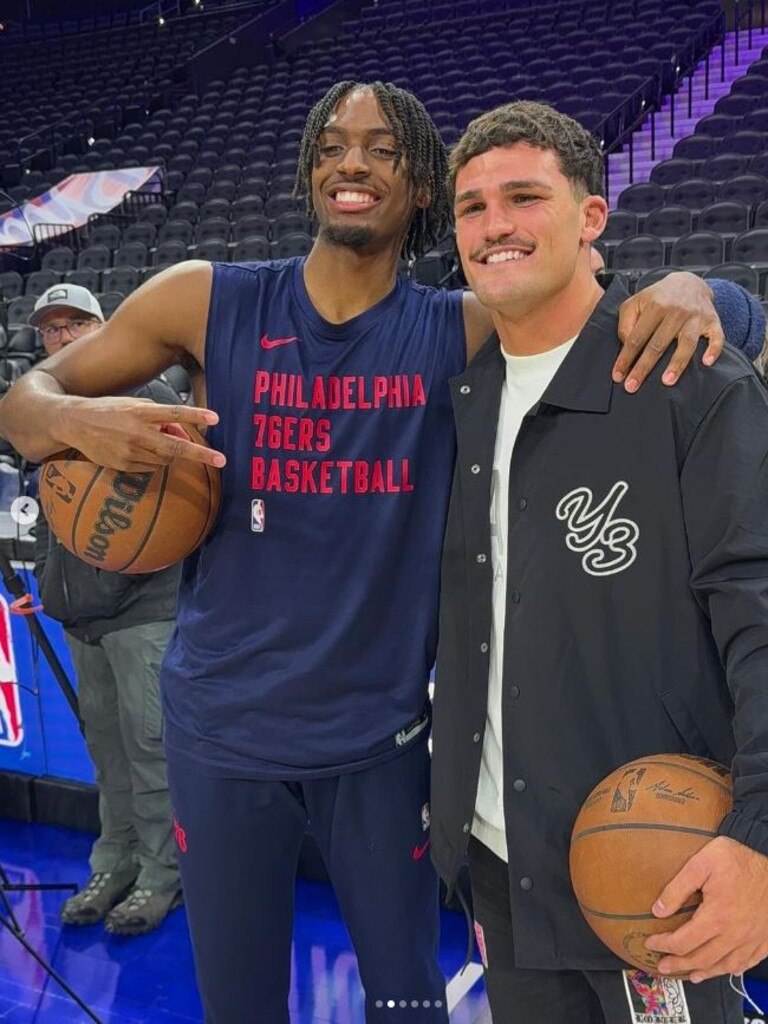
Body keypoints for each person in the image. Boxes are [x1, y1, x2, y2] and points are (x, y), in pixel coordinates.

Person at [0, 83, 756, 1023]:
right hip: (220, 737)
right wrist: (81, 421)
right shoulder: (202, 298)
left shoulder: (462, 328)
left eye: (384, 149)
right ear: (309, 166)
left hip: (381, 748)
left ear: (422, 189)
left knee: (407, 1006)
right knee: (239, 1006)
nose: (352, 162)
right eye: (332, 144)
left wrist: (713, 294)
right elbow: (20, 403)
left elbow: (601, 314)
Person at [429, 99, 768, 1024]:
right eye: (471, 207)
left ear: (592, 217)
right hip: (501, 864)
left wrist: (763, 842)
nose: (494, 224)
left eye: (524, 197)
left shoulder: (689, 382)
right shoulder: (460, 399)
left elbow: (760, 615)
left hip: (654, 866)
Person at [29, 284, 182, 935]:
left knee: (151, 752)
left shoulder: (145, 394)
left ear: (105, 325)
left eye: (77, 324)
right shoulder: (49, 410)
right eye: (52, 329)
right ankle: (113, 859)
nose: (64, 337)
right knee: (109, 752)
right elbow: (58, 508)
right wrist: (53, 581)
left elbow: (183, 500)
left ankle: (161, 876)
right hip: (84, 613)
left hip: (144, 607)